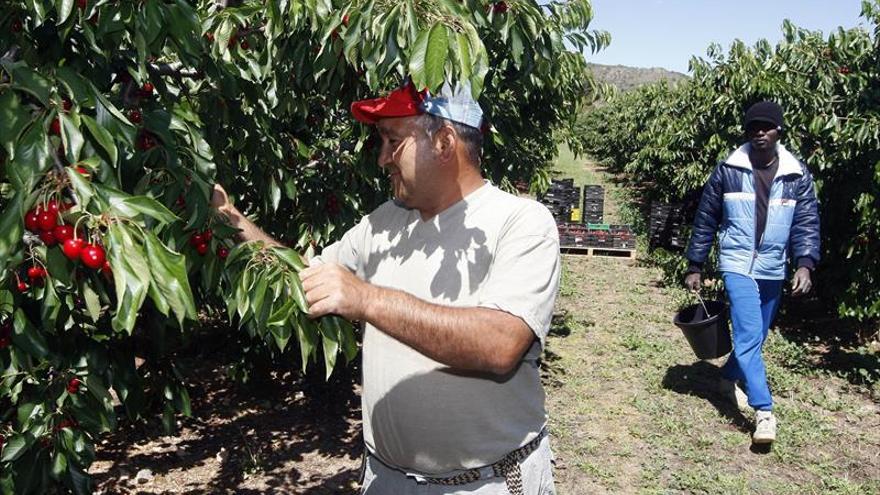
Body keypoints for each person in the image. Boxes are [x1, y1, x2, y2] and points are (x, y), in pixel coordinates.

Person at [211, 81, 561, 494]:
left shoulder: (520, 223)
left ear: (445, 142)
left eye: (393, 141)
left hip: (489, 482)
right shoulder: (384, 223)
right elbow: (305, 278)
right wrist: (232, 220)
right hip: (386, 478)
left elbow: (501, 344)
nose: (381, 159)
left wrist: (366, 298)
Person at [684, 100, 820, 444]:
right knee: (747, 336)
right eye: (753, 127)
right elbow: (706, 217)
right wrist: (695, 264)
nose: (760, 132)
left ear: (778, 131)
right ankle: (764, 411)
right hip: (737, 262)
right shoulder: (729, 169)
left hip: (773, 266)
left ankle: (726, 378)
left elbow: (806, 222)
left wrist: (805, 263)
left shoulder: (796, 174)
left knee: (757, 336)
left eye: (767, 127)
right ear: (746, 132)